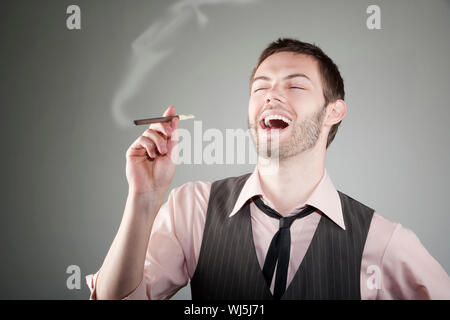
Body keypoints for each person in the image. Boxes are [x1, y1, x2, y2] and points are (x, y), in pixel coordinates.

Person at [86, 38, 450, 300]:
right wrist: (143, 201)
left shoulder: (382, 241)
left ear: (334, 111)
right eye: (260, 88)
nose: (271, 96)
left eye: (295, 85)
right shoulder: (192, 209)